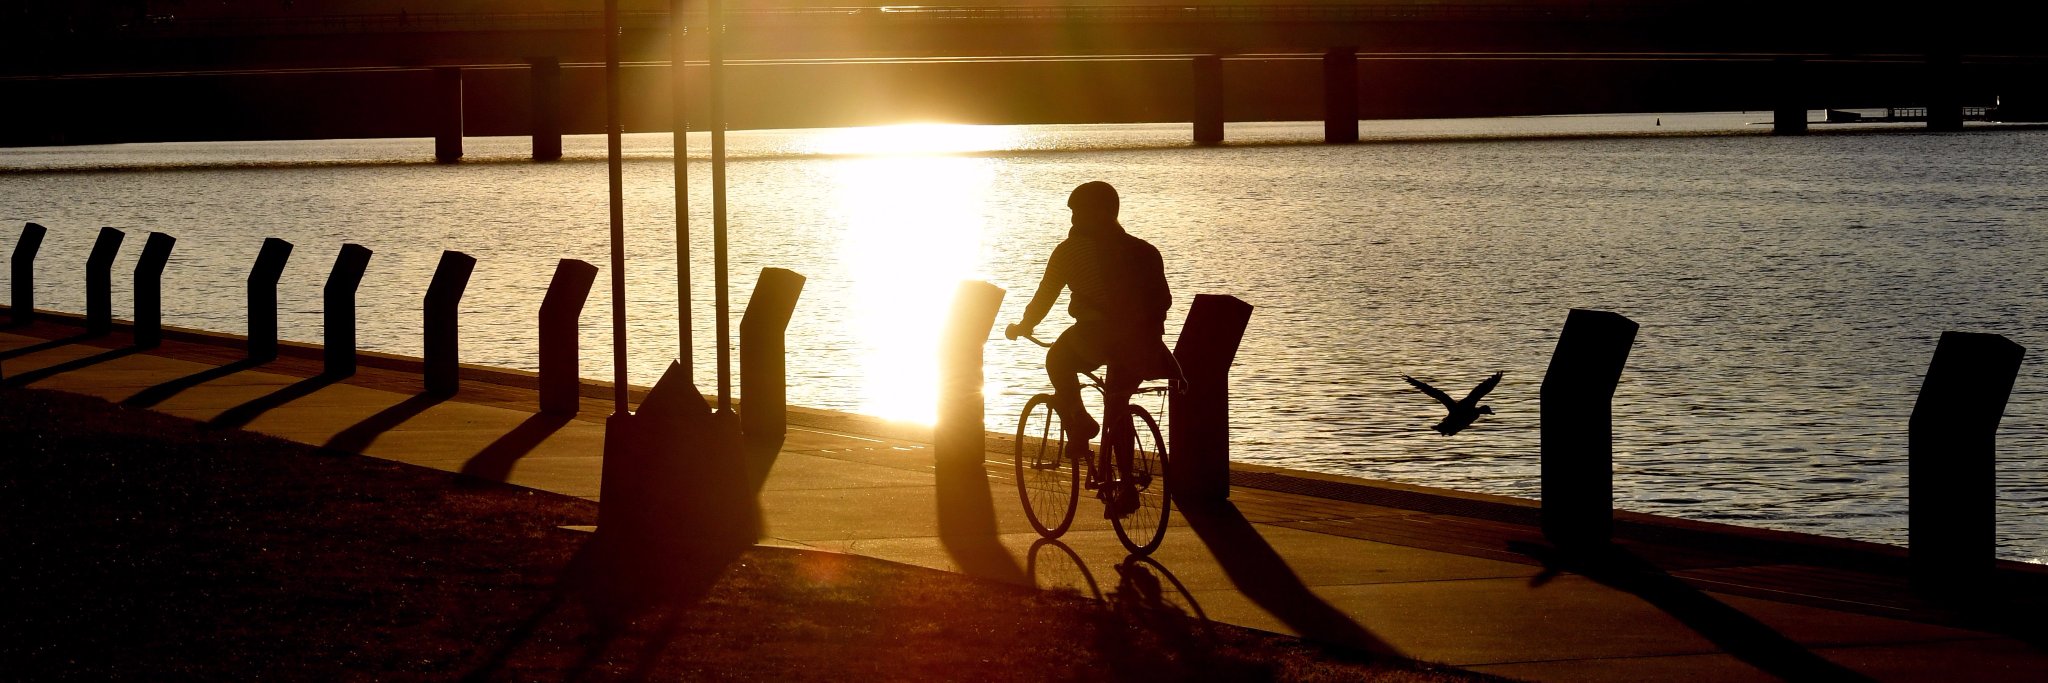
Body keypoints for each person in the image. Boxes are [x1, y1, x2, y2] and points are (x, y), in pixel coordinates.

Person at [1005, 181, 1176, 519]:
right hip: (1143, 342)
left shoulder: (1070, 251)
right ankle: (1126, 487)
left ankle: (1080, 421)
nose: (1072, 219)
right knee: (1117, 405)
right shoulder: (1145, 250)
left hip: (1098, 336)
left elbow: (1044, 297)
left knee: (1057, 357)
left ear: (1095, 213)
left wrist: (1024, 326)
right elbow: (1164, 300)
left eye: (1077, 211)